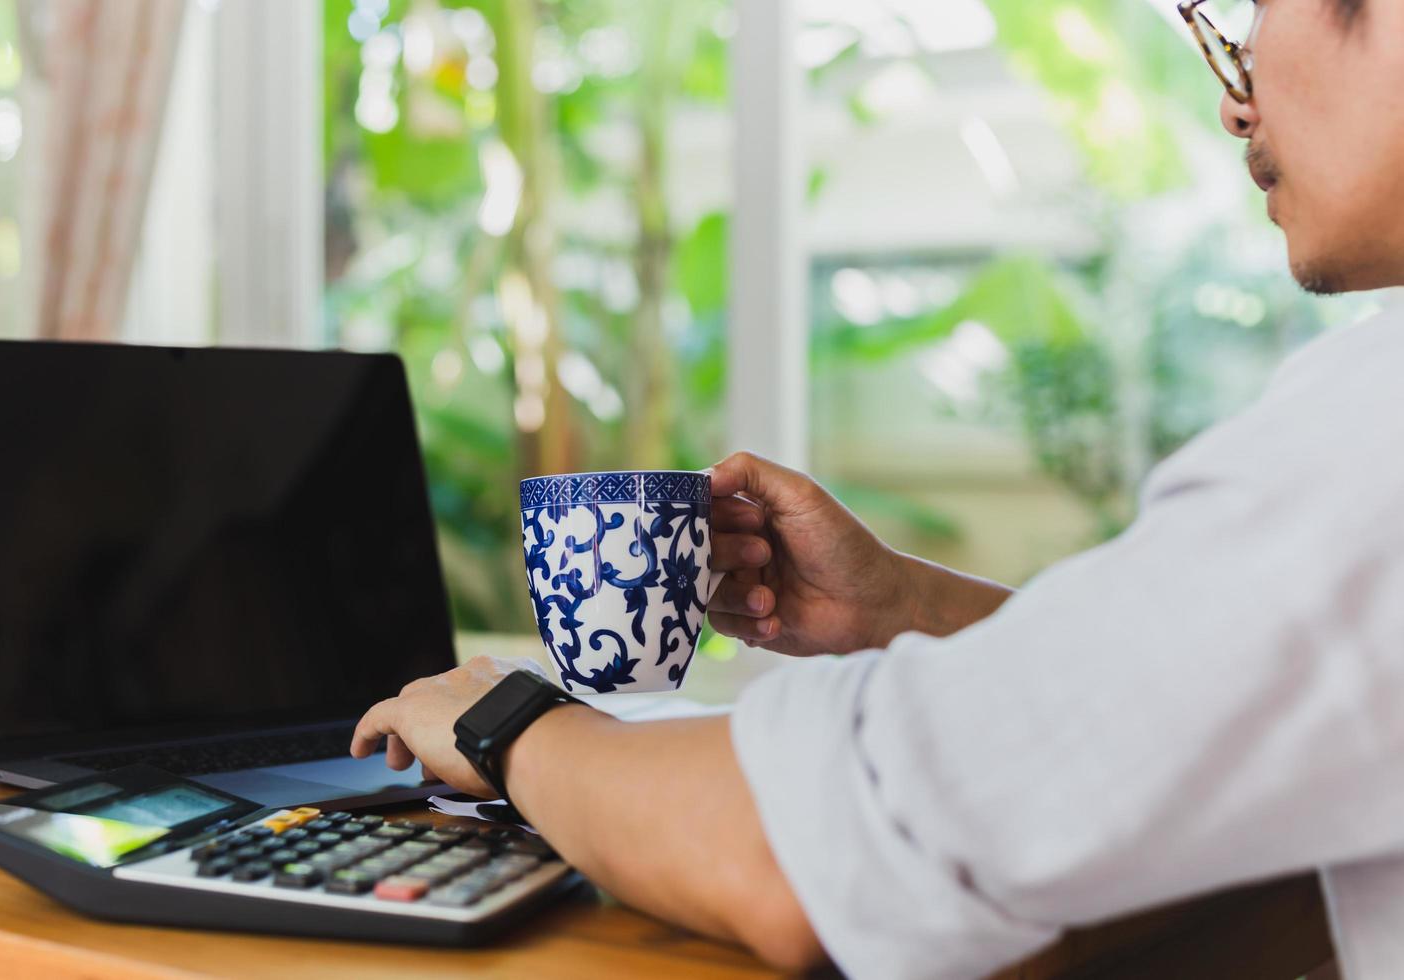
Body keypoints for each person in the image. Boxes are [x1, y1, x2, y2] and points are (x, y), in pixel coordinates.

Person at [351, 0, 1404, 975]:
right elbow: (1215, 722)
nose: (1236, 96)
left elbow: (821, 848)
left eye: (1258, 12)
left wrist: (512, 724)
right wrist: (905, 609)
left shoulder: (1374, 425)